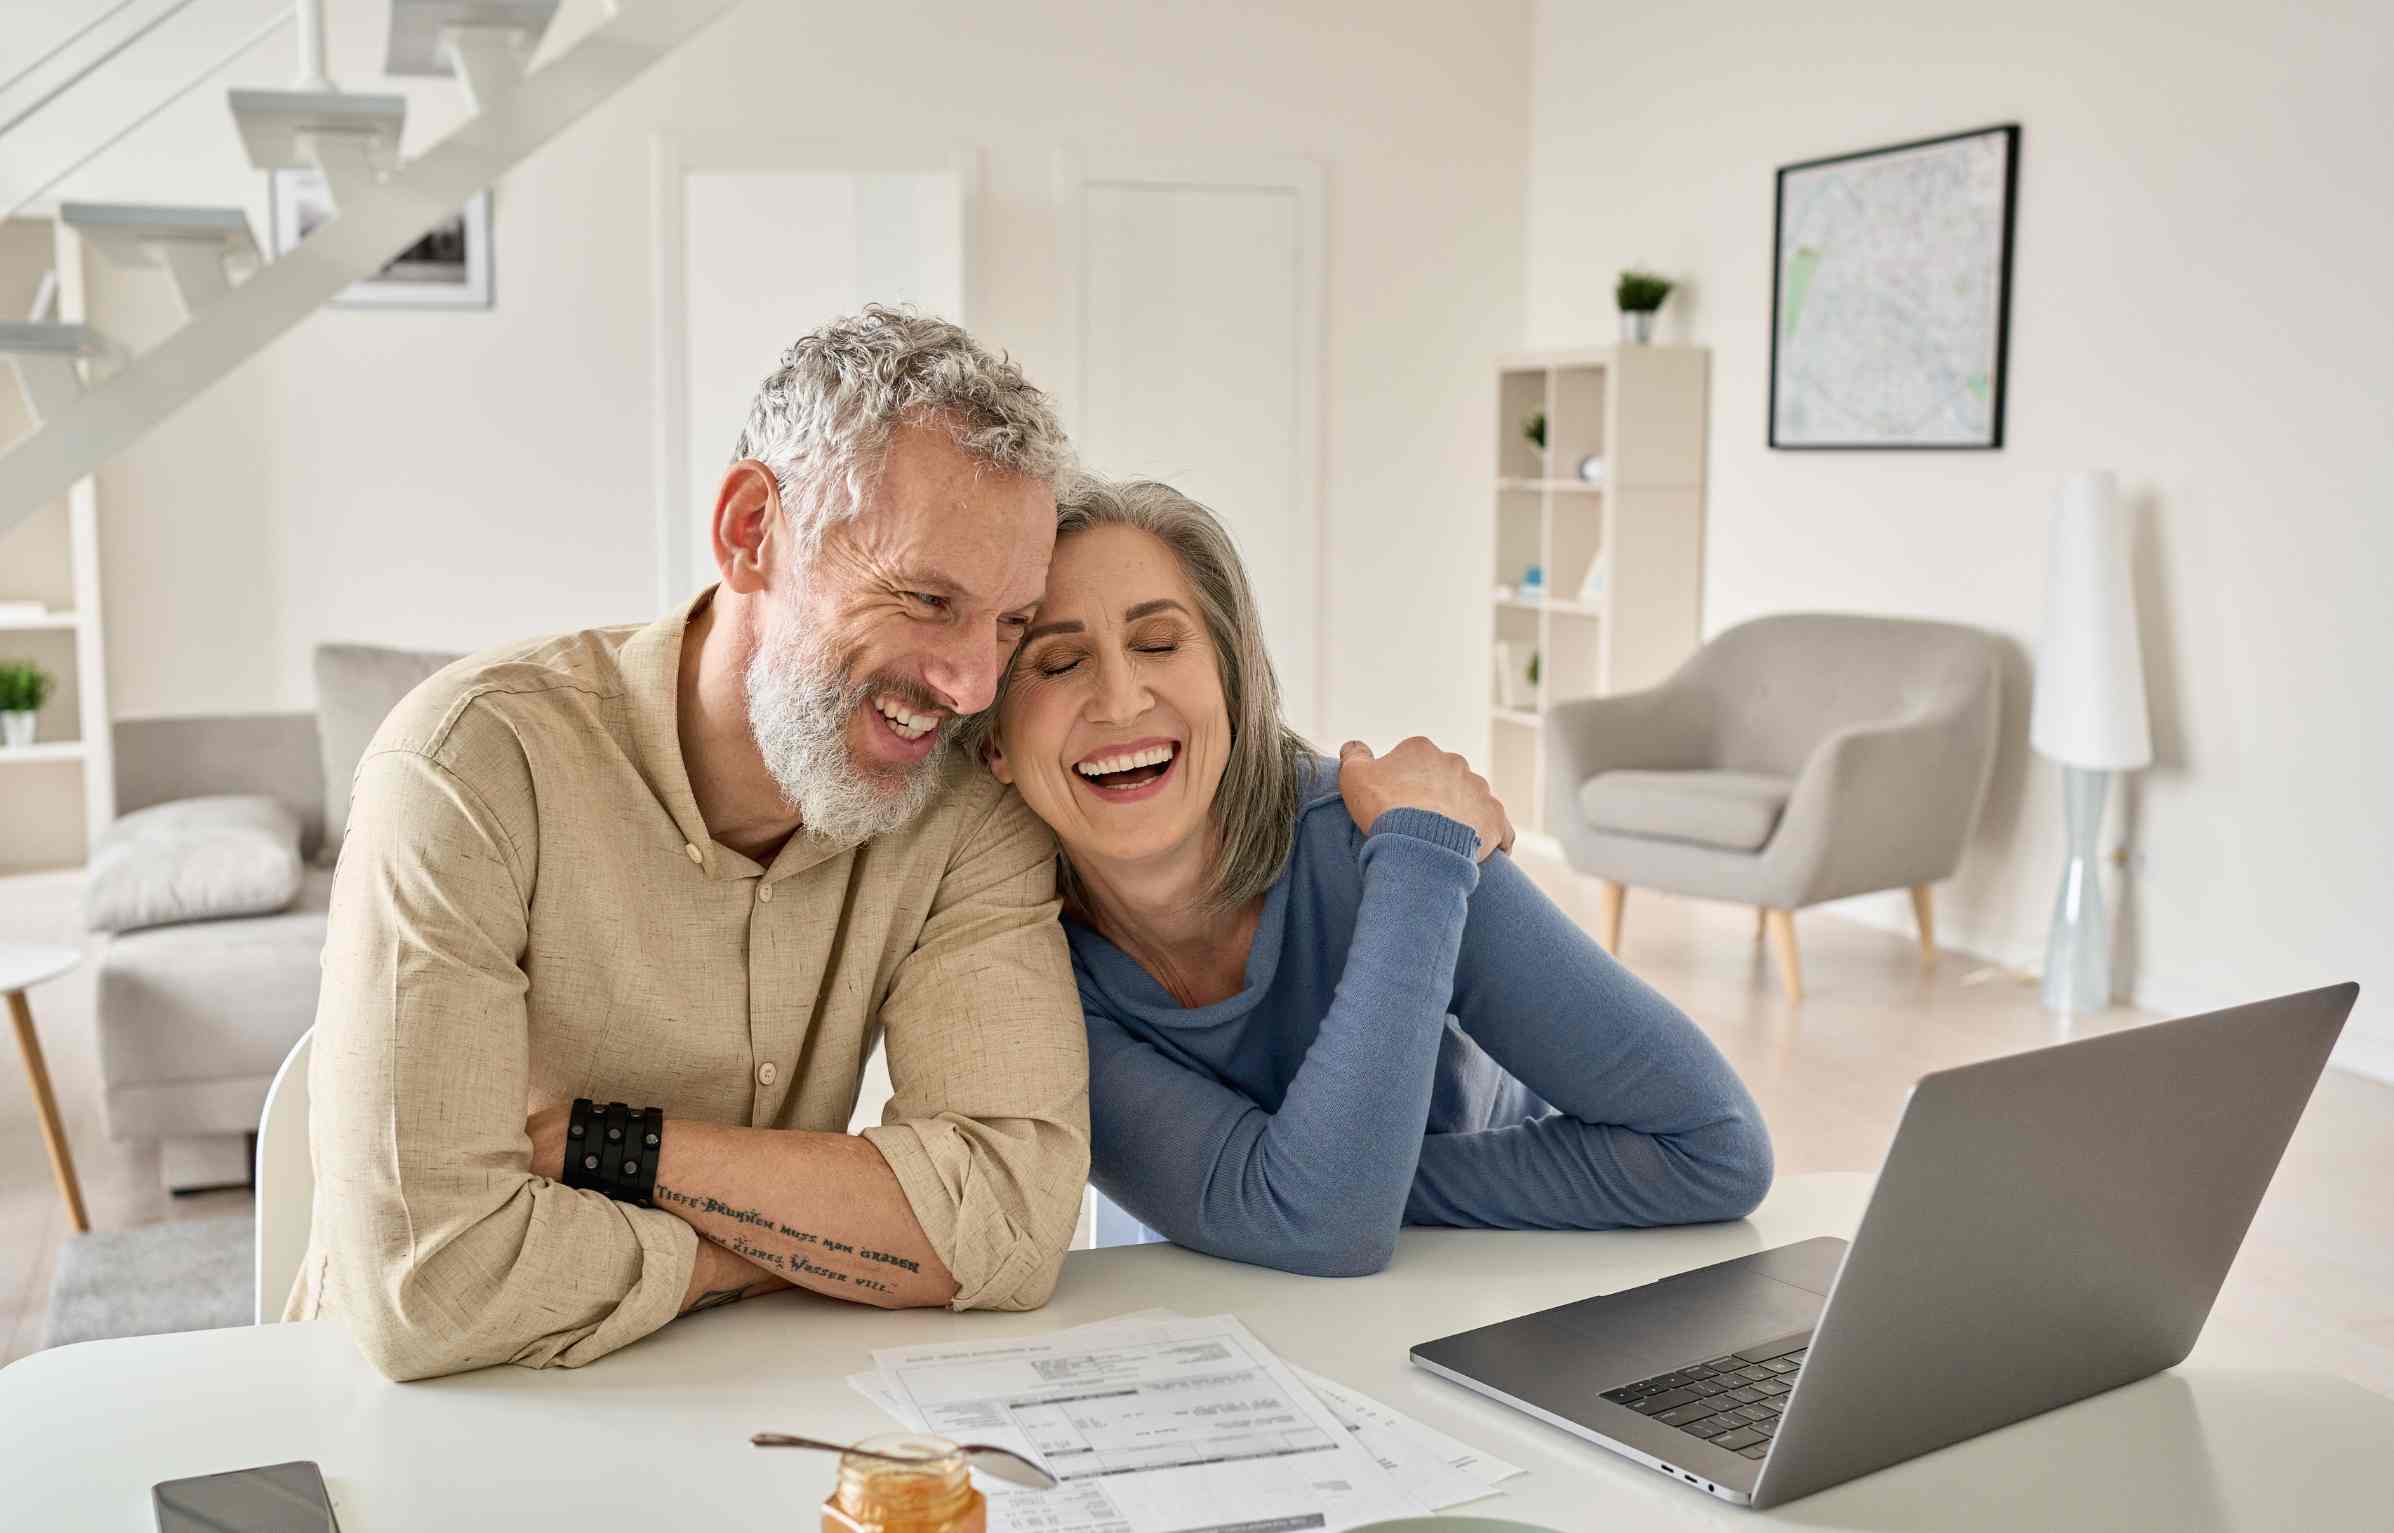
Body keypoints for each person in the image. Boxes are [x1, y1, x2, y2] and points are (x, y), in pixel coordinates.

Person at [295, 308, 1091, 1380]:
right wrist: (799, 1249)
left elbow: (1010, 1221)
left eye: (1009, 622)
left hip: (738, 1405)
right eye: (926, 598)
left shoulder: (966, 812)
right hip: (424, 1417)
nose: (974, 685)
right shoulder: (470, 763)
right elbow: (432, 1286)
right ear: (752, 530)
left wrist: (611, 1148)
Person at [965, 477, 1773, 1277]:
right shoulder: (1020, 969)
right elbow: (1322, 1216)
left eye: (1158, 644)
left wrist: (1329, 1182)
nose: (1119, 699)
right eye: (1059, 662)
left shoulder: (1404, 842)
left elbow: (1716, 1145)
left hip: (1482, 1289)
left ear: (1233, 684)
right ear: (994, 741)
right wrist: (1323, 1184)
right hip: (1227, 1317)